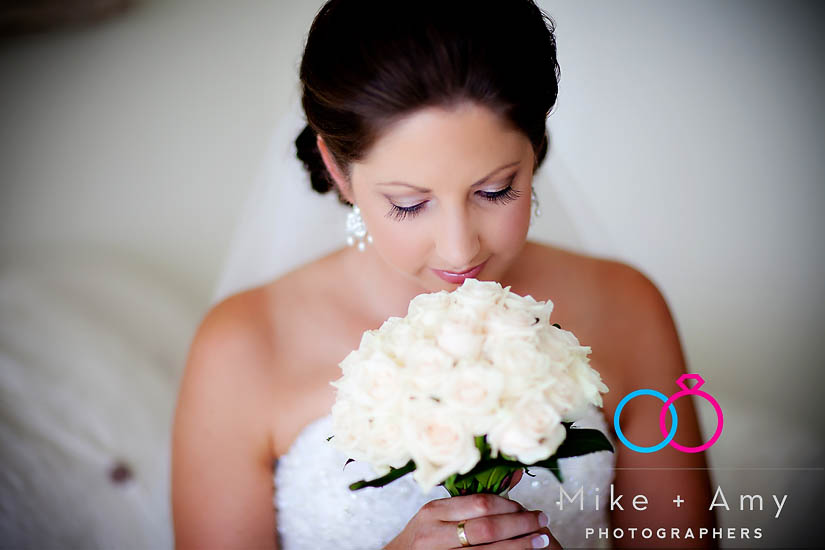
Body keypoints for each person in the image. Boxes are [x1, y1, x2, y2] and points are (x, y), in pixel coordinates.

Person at [171, 0, 718, 548]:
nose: (460, 250)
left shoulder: (625, 304)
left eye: (495, 190)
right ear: (338, 170)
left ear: (535, 147)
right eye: (409, 204)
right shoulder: (242, 343)